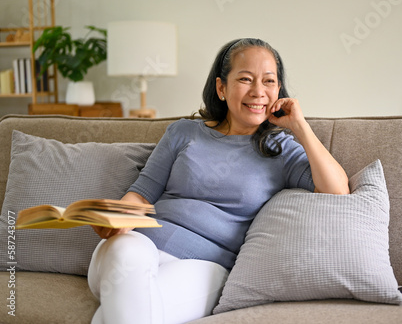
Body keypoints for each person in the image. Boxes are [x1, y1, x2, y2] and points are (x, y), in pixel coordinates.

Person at [88, 38, 349, 324]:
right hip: (135, 246)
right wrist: (117, 219)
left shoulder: (280, 149)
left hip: (203, 265)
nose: (258, 92)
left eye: (269, 81)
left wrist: (300, 126)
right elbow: (142, 192)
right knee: (127, 258)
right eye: (246, 79)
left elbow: (337, 190)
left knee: (129, 312)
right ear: (221, 88)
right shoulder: (183, 132)